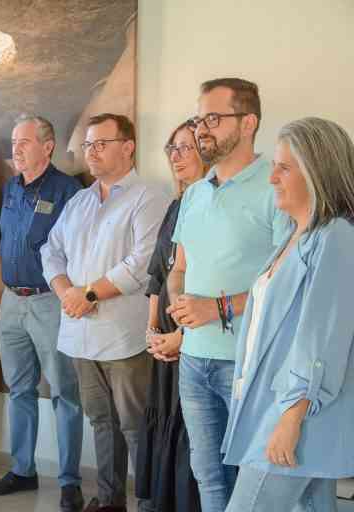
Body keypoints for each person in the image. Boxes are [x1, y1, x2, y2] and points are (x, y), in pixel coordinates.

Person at [166, 78, 288, 511]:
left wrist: (216, 307)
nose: (202, 129)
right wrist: (178, 301)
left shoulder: (277, 187)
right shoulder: (194, 194)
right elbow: (179, 269)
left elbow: (285, 283)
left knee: (250, 484)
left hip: (248, 364)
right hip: (194, 361)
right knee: (209, 478)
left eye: (214, 119)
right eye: (200, 119)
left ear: (249, 122)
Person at [222, 118, 354, 511]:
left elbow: (321, 338)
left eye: (284, 167)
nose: (272, 178)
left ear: (317, 172)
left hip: (293, 414)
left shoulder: (336, 238)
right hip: (276, 406)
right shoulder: (296, 234)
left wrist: (291, 418)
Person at [42, 113, 169, 512]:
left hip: (124, 335)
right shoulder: (79, 200)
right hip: (81, 333)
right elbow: (51, 250)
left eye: (101, 143)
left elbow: (142, 262)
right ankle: (110, 500)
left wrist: (89, 294)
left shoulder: (151, 195)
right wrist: (66, 292)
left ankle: (149, 503)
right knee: (101, 423)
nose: (92, 152)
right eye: (88, 145)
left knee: (135, 427)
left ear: (128, 146)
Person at [0, 114, 85, 512]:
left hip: (50, 301)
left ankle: (69, 481)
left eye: (25, 141)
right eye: (13, 141)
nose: (16, 148)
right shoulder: (10, 188)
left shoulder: (68, 190)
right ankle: (23, 469)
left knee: (64, 393)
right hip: (11, 301)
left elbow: (76, 249)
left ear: (48, 146)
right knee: (19, 389)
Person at [135, 123, 206, 512]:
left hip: (193, 334)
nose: (175, 156)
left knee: (189, 427)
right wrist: (151, 328)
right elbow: (156, 275)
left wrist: (181, 335)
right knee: (163, 416)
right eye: (171, 148)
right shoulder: (177, 205)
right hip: (164, 333)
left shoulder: (212, 205)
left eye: (185, 147)